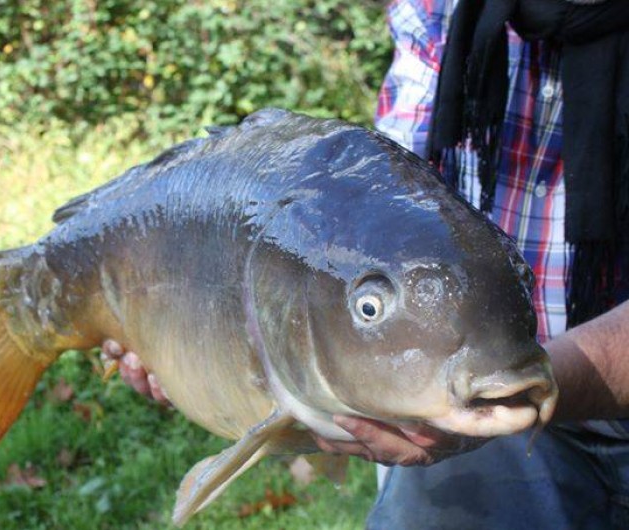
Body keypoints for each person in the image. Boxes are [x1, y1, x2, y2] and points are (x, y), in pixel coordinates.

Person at [103, 0, 629, 527]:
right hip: (473, 395)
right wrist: (178, 344)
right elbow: (377, 214)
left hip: (525, 372)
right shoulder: (440, 8)